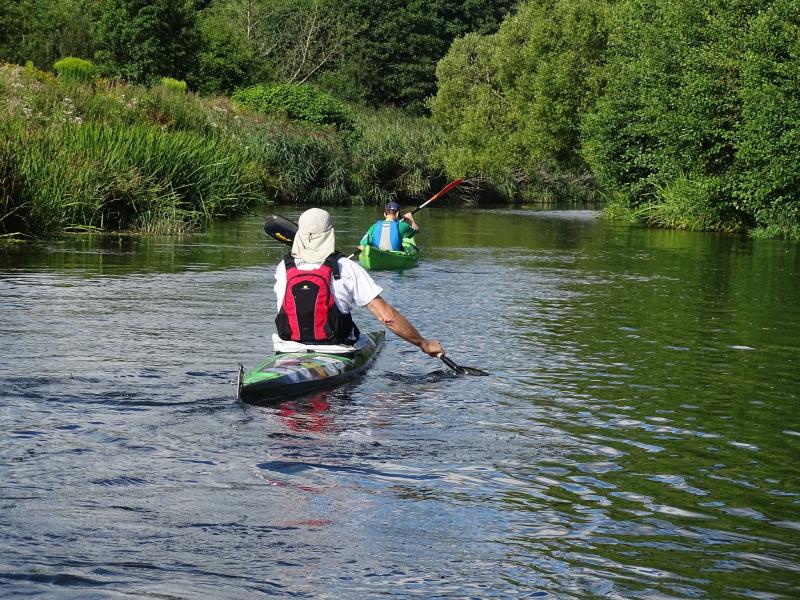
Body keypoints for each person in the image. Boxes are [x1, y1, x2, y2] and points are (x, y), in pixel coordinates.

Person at [274, 208, 442, 357]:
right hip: (337, 350)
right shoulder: (346, 266)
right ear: (330, 234)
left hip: (287, 348)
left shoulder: (284, 267)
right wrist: (424, 343)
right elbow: (387, 318)